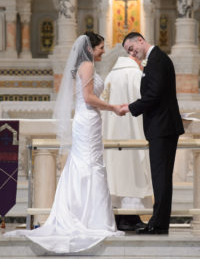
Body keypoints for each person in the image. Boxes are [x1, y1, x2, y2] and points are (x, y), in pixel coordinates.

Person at [4, 32, 124, 253]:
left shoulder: (85, 65)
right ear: (90, 48)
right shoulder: (87, 66)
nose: (103, 51)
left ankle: (86, 215)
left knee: (87, 165)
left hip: (88, 119)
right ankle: (89, 219)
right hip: (87, 119)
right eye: (100, 48)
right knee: (88, 166)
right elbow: (88, 98)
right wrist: (113, 107)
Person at [121, 32, 184, 235]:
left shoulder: (157, 60)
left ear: (140, 40)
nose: (132, 53)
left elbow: (154, 94)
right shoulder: (155, 59)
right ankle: (159, 223)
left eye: (132, 48)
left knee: (161, 178)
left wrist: (130, 108)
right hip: (162, 127)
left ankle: (157, 224)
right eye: (128, 52)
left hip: (163, 128)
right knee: (161, 178)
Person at [102, 55, 153, 231]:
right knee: (132, 172)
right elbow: (145, 102)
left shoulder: (110, 75)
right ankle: (130, 217)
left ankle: (119, 216)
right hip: (131, 131)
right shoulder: (135, 75)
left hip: (112, 132)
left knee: (116, 174)